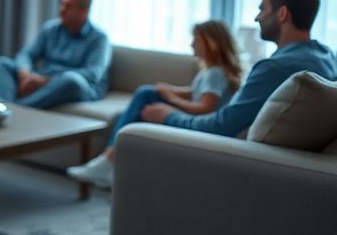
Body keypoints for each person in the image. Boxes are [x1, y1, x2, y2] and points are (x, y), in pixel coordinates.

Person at [140, 0, 337, 135]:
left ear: (282, 14)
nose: (257, 17)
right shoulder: (327, 57)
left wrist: (169, 116)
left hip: (225, 153)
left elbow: (220, 126)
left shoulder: (275, 68)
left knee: (148, 104)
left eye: (262, 9)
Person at [67, 20, 242, 187]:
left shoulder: (214, 74)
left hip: (199, 125)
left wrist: (171, 98)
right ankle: (113, 166)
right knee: (144, 99)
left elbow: (206, 108)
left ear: (211, 43)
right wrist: (170, 89)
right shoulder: (215, 72)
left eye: (196, 40)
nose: (192, 44)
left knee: (145, 95)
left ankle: (107, 161)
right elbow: (197, 91)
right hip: (198, 120)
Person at [0, 0, 111, 109]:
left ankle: (17, 109)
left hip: (77, 86)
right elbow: (27, 54)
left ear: (84, 12)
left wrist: (44, 81)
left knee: (71, 80)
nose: (62, 10)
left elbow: (93, 74)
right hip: (43, 79)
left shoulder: (99, 38)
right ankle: (10, 105)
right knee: (1, 63)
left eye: (68, 6)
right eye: (62, 4)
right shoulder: (50, 29)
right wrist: (25, 73)